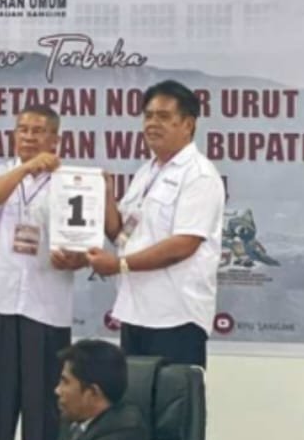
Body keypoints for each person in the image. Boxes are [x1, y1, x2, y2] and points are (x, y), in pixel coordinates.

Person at [0, 105, 88, 440]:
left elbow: (83, 242)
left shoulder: (70, 182)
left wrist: (78, 259)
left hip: (46, 306)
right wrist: (26, 168)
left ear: (55, 139)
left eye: (38, 131)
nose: (28, 137)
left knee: (46, 407)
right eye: (22, 130)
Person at [90, 80, 224, 368]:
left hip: (176, 317)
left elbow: (184, 244)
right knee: (135, 397)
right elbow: (121, 236)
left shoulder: (199, 175)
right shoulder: (146, 172)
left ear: (188, 124)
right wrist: (106, 196)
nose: (152, 124)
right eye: (148, 116)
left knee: (173, 397)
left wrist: (119, 265)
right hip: (135, 311)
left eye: (163, 116)